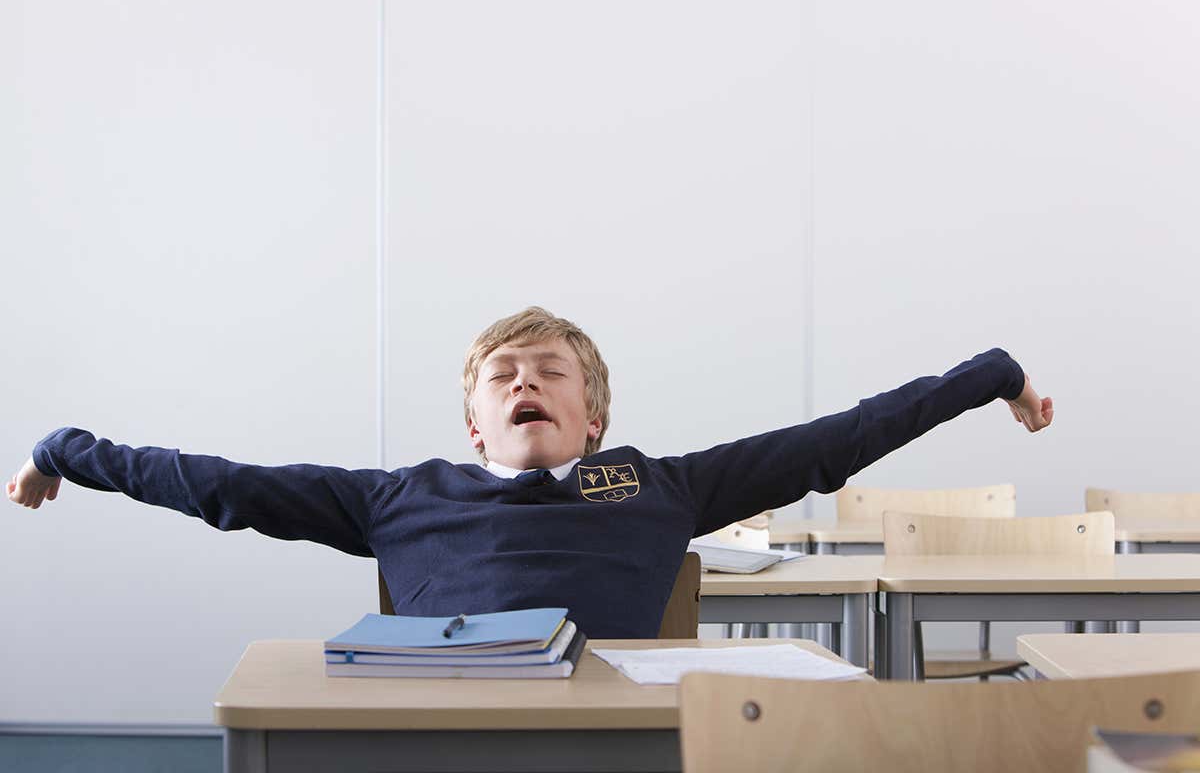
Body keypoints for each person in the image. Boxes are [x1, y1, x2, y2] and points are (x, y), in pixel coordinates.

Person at [6, 306, 1053, 638]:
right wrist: (64, 451)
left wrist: (990, 375)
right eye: (503, 375)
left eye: (549, 372)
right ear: (476, 425)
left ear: (591, 417)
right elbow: (220, 483)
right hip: (435, 726)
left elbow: (838, 437)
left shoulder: (660, 482)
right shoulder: (398, 495)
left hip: (614, 728)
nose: (525, 381)